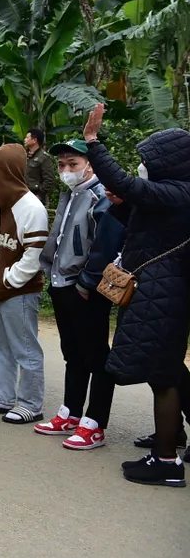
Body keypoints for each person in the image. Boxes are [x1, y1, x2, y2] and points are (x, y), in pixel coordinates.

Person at [83, 103, 190, 486]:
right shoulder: (172, 193)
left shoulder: (180, 191)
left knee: (162, 375)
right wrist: (126, 206)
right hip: (158, 289)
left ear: (168, 164)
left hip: (164, 293)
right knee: (168, 368)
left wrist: (94, 144)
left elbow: (129, 184)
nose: (143, 167)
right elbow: (151, 227)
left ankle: (166, 463)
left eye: (148, 161)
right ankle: (171, 437)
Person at [32, 138, 116, 447]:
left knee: (96, 355)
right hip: (61, 284)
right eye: (63, 165)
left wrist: (86, 282)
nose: (67, 170)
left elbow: (104, 245)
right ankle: (71, 412)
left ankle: (94, 422)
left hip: (86, 289)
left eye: (73, 164)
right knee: (73, 352)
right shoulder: (69, 195)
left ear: (89, 165)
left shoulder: (100, 197)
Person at [0, 144, 49, 424]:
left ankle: (30, 402)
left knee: (25, 347)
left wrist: (8, 280)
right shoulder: (1, 205)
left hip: (20, 292)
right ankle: (2, 397)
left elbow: (34, 255)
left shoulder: (31, 207)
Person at [25, 127, 58, 206]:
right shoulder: (24, 155)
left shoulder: (44, 157)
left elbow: (49, 179)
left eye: (27, 137)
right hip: (23, 195)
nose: (24, 139)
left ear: (34, 140)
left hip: (35, 196)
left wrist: (39, 196)